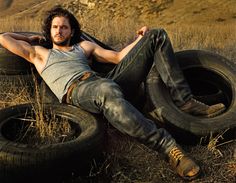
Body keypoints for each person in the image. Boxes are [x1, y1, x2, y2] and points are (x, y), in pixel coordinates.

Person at [0, 5, 226, 180]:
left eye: (64, 27)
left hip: (106, 83)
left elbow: (118, 58)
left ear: (71, 31)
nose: (59, 30)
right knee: (106, 89)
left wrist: (140, 39)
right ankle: (168, 147)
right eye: (55, 27)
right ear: (49, 30)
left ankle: (185, 101)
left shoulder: (83, 48)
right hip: (78, 91)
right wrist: (27, 38)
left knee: (157, 35)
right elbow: (3, 38)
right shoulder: (39, 53)